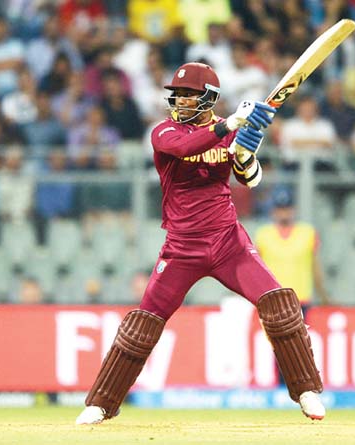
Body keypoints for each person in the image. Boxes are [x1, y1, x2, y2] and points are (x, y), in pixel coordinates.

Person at [76, 62, 325, 425]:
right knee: (144, 322)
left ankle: (306, 391)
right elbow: (185, 146)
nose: (180, 101)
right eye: (177, 95)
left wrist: (243, 155)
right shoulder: (163, 131)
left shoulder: (227, 132)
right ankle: (101, 403)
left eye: (189, 95)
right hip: (182, 247)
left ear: (208, 98)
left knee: (279, 303)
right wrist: (230, 126)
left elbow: (250, 179)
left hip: (228, 242)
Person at [255, 189, 331, 308]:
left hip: (300, 299)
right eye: (280, 208)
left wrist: (323, 295)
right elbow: (256, 270)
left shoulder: (308, 233)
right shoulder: (263, 235)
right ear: (273, 211)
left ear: (293, 209)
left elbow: (315, 267)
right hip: (273, 300)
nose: (283, 212)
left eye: (287, 208)